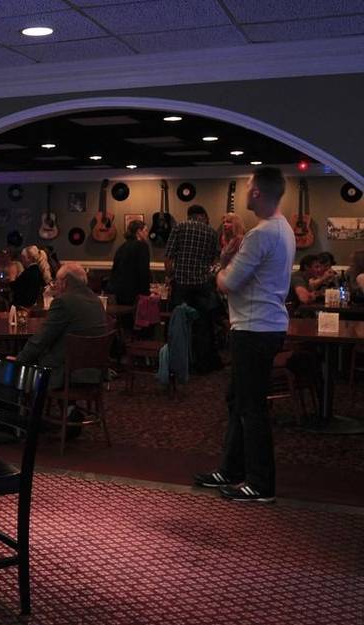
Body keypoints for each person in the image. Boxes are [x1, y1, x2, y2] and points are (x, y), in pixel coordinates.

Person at [195, 167, 294, 503]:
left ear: (257, 193)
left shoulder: (260, 234)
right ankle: (231, 469)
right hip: (264, 325)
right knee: (238, 401)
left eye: (248, 186)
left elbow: (228, 283)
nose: (245, 191)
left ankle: (261, 484)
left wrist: (221, 264)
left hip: (254, 328)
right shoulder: (283, 228)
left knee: (251, 408)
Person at [15, 262, 108, 388]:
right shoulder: (96, 301)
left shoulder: (63, 301)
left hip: (66, 373)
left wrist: (19, 360)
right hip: (94, 372)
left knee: (21, 369)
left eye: (57, 282)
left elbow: (41, 339)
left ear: (64, 282)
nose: (55, 286)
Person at [164, 204, 222, 373]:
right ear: (202, 216)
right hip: (203, 285)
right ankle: (202, 364)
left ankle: (180, 363)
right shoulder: (211, 232)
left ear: (189, 215)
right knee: (203, 325)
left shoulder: (179, 227)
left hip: (182, 285)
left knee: (179, 324)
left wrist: (170, 276)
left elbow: (168, 257)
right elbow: (214, 260)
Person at [108, 220, 152, 306]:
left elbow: (115, 270)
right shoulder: (142, 246)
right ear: (139, 232)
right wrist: (146, 293)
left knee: (123, 313)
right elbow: (143, 271)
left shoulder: (122, 246)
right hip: (134, 291)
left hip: (118, 291)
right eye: (146, 230)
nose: (147, 233)